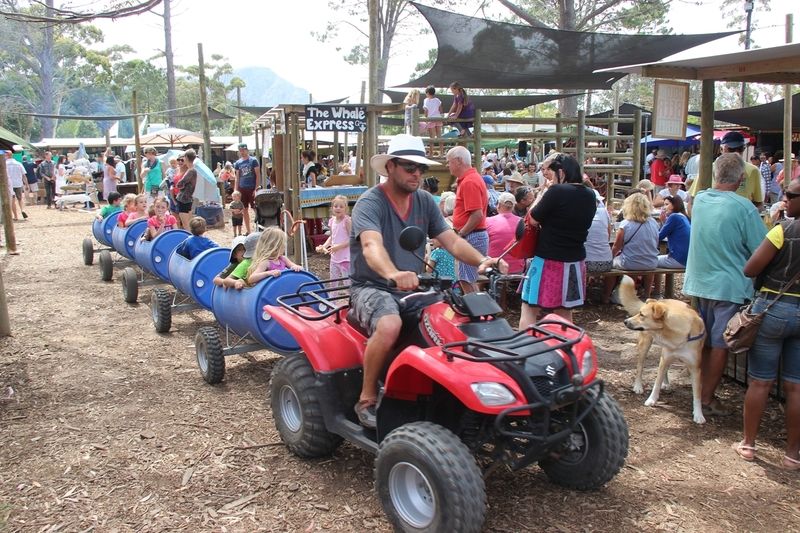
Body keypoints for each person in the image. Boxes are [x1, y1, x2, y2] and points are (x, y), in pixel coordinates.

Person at [349, 134, 506, 427]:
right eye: (410, 167)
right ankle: (367, 398)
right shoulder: (370, 203)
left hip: (415, 286)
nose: (417, 174)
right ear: (391, 167)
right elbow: (371, 246)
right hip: (372, 287)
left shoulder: (423, 200)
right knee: (389, 324)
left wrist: (483, 261)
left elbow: (451, 240)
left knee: (457, 319)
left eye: (421, 168)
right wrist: (393, 274)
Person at [684, 153, 766, 417]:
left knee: (706, 339)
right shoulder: (744, 208)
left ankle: (701, 391)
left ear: (715, 174)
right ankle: (706, 397)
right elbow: (762, 248)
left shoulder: (701, 200)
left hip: (701, 280)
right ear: (741, 179)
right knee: (720, 343)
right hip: (728, 285)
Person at [734, 177, 800, 470]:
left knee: (760, 380)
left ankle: (748, 444)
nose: (785, 199)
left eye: (789, 195)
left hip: (773, 309)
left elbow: (751, 268)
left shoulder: (783, 230)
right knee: (796, 386)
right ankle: (792, 454)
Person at [519, 154, 596, 328]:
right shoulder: (590, 194)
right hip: (575, 261)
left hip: (548, 259)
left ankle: (525, 348)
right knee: (564, 312)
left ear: (561, 172)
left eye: (552, 173)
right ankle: (565, 349)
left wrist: (543, 193)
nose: (550, 178)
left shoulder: (556, 191)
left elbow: (532, 219)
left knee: (529, 307)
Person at [603, 192, 659, 302]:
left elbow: (616, 247)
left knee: (611, 266)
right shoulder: (653, 223)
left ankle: (606, 296)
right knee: (647, 265)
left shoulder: (626, 224)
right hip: (651, 262)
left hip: (630, 262)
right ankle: (647, 295)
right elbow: (655, 242)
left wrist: (609, 258)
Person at [447, 145, 488, 286]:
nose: (448, 165)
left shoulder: (469, 181)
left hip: (471, 235)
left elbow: (477, 215)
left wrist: (461, 234)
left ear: (458, 161)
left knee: (466, 281)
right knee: (467, 280)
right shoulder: (470, 179)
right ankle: (475, 307)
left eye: (449, 161)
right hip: (473, 234)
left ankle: (477, 308)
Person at [689, 131, 763, 209]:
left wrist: (745, 216)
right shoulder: (708, 169)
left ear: (744, 149)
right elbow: (692, 201)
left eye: (740, 149)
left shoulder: (753, 171)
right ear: (722, 149)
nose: (736, 153)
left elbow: (759, 204)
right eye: (732, 149)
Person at [653, 195, 691, 296]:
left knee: (649, 261)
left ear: (674, 205)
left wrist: (662, 221)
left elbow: (659, 236)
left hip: (678, 259)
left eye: (666, 204)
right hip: (687, 259)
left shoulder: (674, 217)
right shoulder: (683, 217)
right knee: (654, 259)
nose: (663, 207)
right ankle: (655, 291)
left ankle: (655, 292)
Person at [486, 192, 525, 274]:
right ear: (513, 206)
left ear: (499, 205)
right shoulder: (522, 222)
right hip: (518, 269)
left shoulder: (488, 221)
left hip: (494, 268)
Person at [315, 195, 351, 283]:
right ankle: (332, 296)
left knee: (347, 283)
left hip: (346, 258)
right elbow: (332, 237)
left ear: (346, 209)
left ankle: (350, 297)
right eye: (336, 206)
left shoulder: (347, 221)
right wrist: (324, 246)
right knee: (333, 283)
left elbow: (352, 239)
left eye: (341, 207)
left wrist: (338, 247)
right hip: (334, 258)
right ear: (332, 208)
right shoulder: (331, 221)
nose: (338, 208)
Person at [584, 189, 613, 275]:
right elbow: (608, 236)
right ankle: (607, 289)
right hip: (607, 263)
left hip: (586, 263)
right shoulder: (604, 212)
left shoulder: (579, 212)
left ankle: (585, 287)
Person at [234, 143, 260, 235]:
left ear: (247, 150)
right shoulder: (238, 163)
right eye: (240, 150)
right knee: (244, 209)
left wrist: (256, 188)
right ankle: (248, 230)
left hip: (252, 187)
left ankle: (259, 227)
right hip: (242, 188)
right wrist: (235, 190)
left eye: (243, 150)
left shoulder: (253, 161)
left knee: (255, 208)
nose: (242, 152)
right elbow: (237, 177)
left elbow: (257, 175)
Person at [175, 148, 198, 230]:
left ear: (186, 158)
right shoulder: (192, 170)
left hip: (183, 199)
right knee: (188, 223)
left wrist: (180, 184)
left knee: (186, 224)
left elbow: (180, 183)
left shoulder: (191, 171)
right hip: (187, 198)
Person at [5, 152, 27, 220]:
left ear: (6, 155)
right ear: (12, 155)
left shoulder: (5, 164)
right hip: (18, 183)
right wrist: (26, 184)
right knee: (20, 199)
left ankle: (15, 216)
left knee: (12, 200)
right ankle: (22, 210)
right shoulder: (19, 163)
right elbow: (24, 175)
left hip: (9, 184)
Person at [422, 86, 443, 155]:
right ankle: (442, 152)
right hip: (438, 118)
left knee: (432, 137)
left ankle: (431, 153)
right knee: (439, 135)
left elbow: (426, 110)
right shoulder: (437, 100)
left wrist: (426, 118)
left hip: (430, 119)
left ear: (428, 93)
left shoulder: (426, 100)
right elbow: (440, 109)